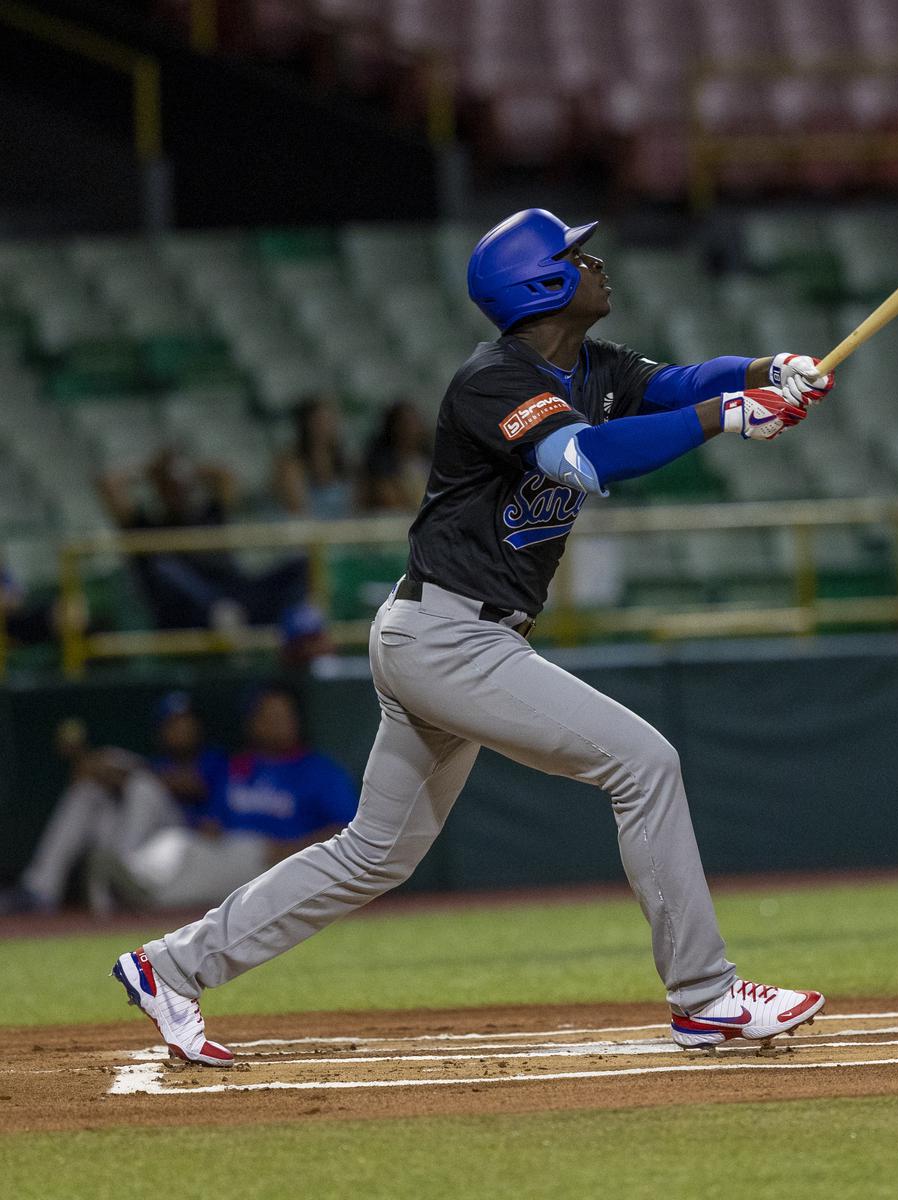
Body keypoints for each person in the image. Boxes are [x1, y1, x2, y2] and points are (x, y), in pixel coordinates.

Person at [112, 208, 834, 1067]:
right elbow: (587, 460)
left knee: (370, 855)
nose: (595, 260)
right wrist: (728, 418)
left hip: (447, 635)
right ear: (543, 283)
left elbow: (679, 382)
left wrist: (766, 370)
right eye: (575, 253)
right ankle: (705, 997)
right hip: (450, 639)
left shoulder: (589, 364)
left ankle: (171, 968)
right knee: (644, 763)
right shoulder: (492, 380)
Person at [120, 688, 356, 910]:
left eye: (285, 717)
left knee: (242, 856)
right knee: (180, 842)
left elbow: (347, 830)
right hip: (226, 851)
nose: (280, 724)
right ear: (253, 723)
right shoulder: (237, 766)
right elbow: (213, 821)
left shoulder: (320, 770)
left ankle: (141, 892)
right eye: (270, 717)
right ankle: (134, 875)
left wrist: (292, 850)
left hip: (278, 860)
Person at [0, 695, 219, 916]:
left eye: (186, 722)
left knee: (142, 786)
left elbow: (191, 785)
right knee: (88, 792)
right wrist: (95, 765)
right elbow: (89, 775)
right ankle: (40, 889)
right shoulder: (158, 762)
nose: (181, 729)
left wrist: (119, 771)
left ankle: (121, 877)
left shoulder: (212, 759)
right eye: (173, 723)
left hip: (176, 843)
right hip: (135, 843)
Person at [98, 447, 308, 629]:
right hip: (186, 614)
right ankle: (220, 615)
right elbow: (108, 484)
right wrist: (153, 470)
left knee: (302, 566)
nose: (178, 491)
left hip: (234, 597)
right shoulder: (145, 527)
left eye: (181, 486)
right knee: (164, 566)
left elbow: (226, 476)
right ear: (159, 489)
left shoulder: (208, 514)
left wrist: (187, 468)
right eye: (170, 487)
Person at [273, 394, 356, 518]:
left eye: (330, 420)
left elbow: (355, 507)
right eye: (319, 421)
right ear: (306, 424)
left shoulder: (347, 462)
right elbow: (296, 508)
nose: (325, 427)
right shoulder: (290, 464)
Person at [359, 400, 431, 512]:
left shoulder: (429, 460)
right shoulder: (380, 464)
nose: (411, 429)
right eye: (406, 423)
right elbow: (387, 498)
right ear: (393, 427)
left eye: (415, 422)